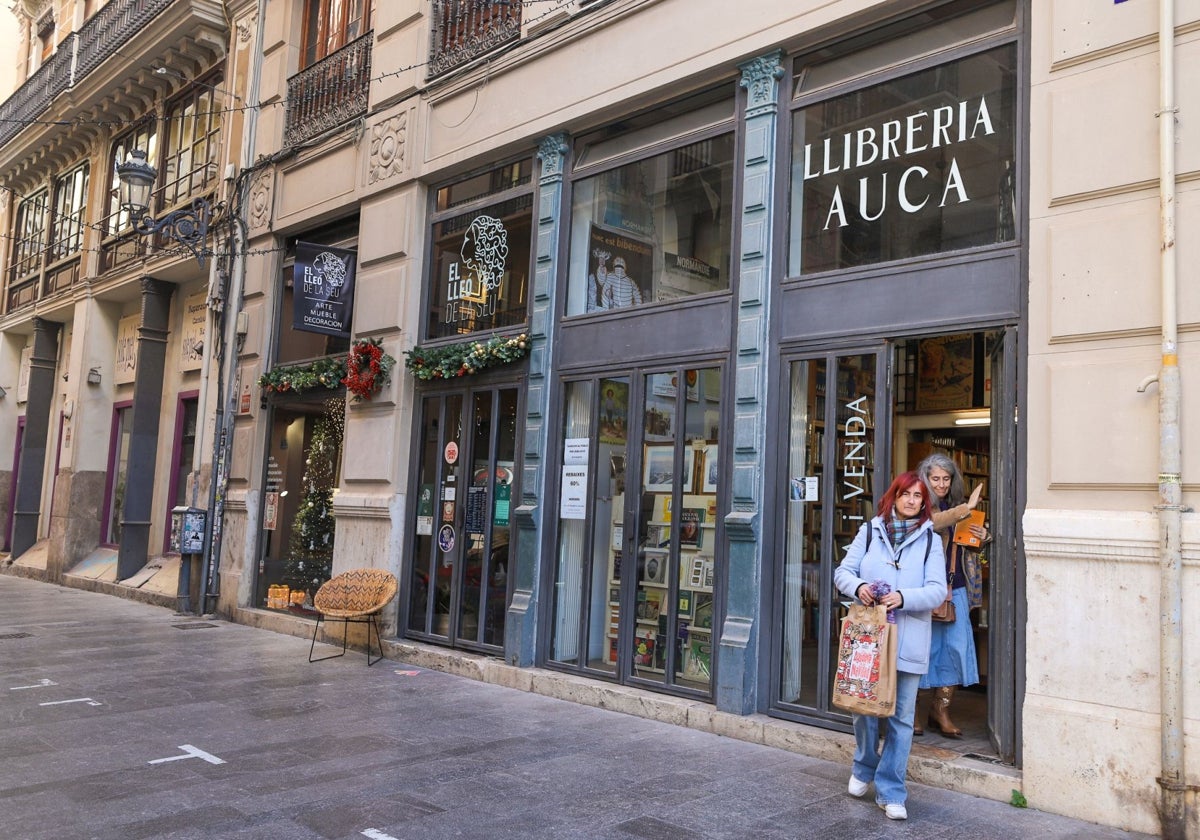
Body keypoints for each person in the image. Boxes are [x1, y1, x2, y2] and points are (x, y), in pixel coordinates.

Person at [833, 471, 947, 821]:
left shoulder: (931, 541)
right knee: (863, 710)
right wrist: (860, 586)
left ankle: (891, 790)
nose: (912, 501)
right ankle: (864, 766)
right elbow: (842, 572)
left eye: (918, 496)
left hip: (909, 639)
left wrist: (903, 597)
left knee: (900, 719)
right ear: (894, 497)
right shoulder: (870, 531)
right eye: (906, 494)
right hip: (869, 640)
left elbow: (937, 590)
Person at [914, 452, 988, 738]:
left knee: (956, 650)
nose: (942, 484)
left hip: (955, 586)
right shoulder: (916, 504)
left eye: (946, 478)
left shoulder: (957, 507)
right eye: (935, 478)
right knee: (922, 651)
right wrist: (966, 509)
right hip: (924, 588)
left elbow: (969, 546)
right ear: (925, 479)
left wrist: (981, 537)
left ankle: (940, 710)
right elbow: (933, 522)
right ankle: (912, 713)